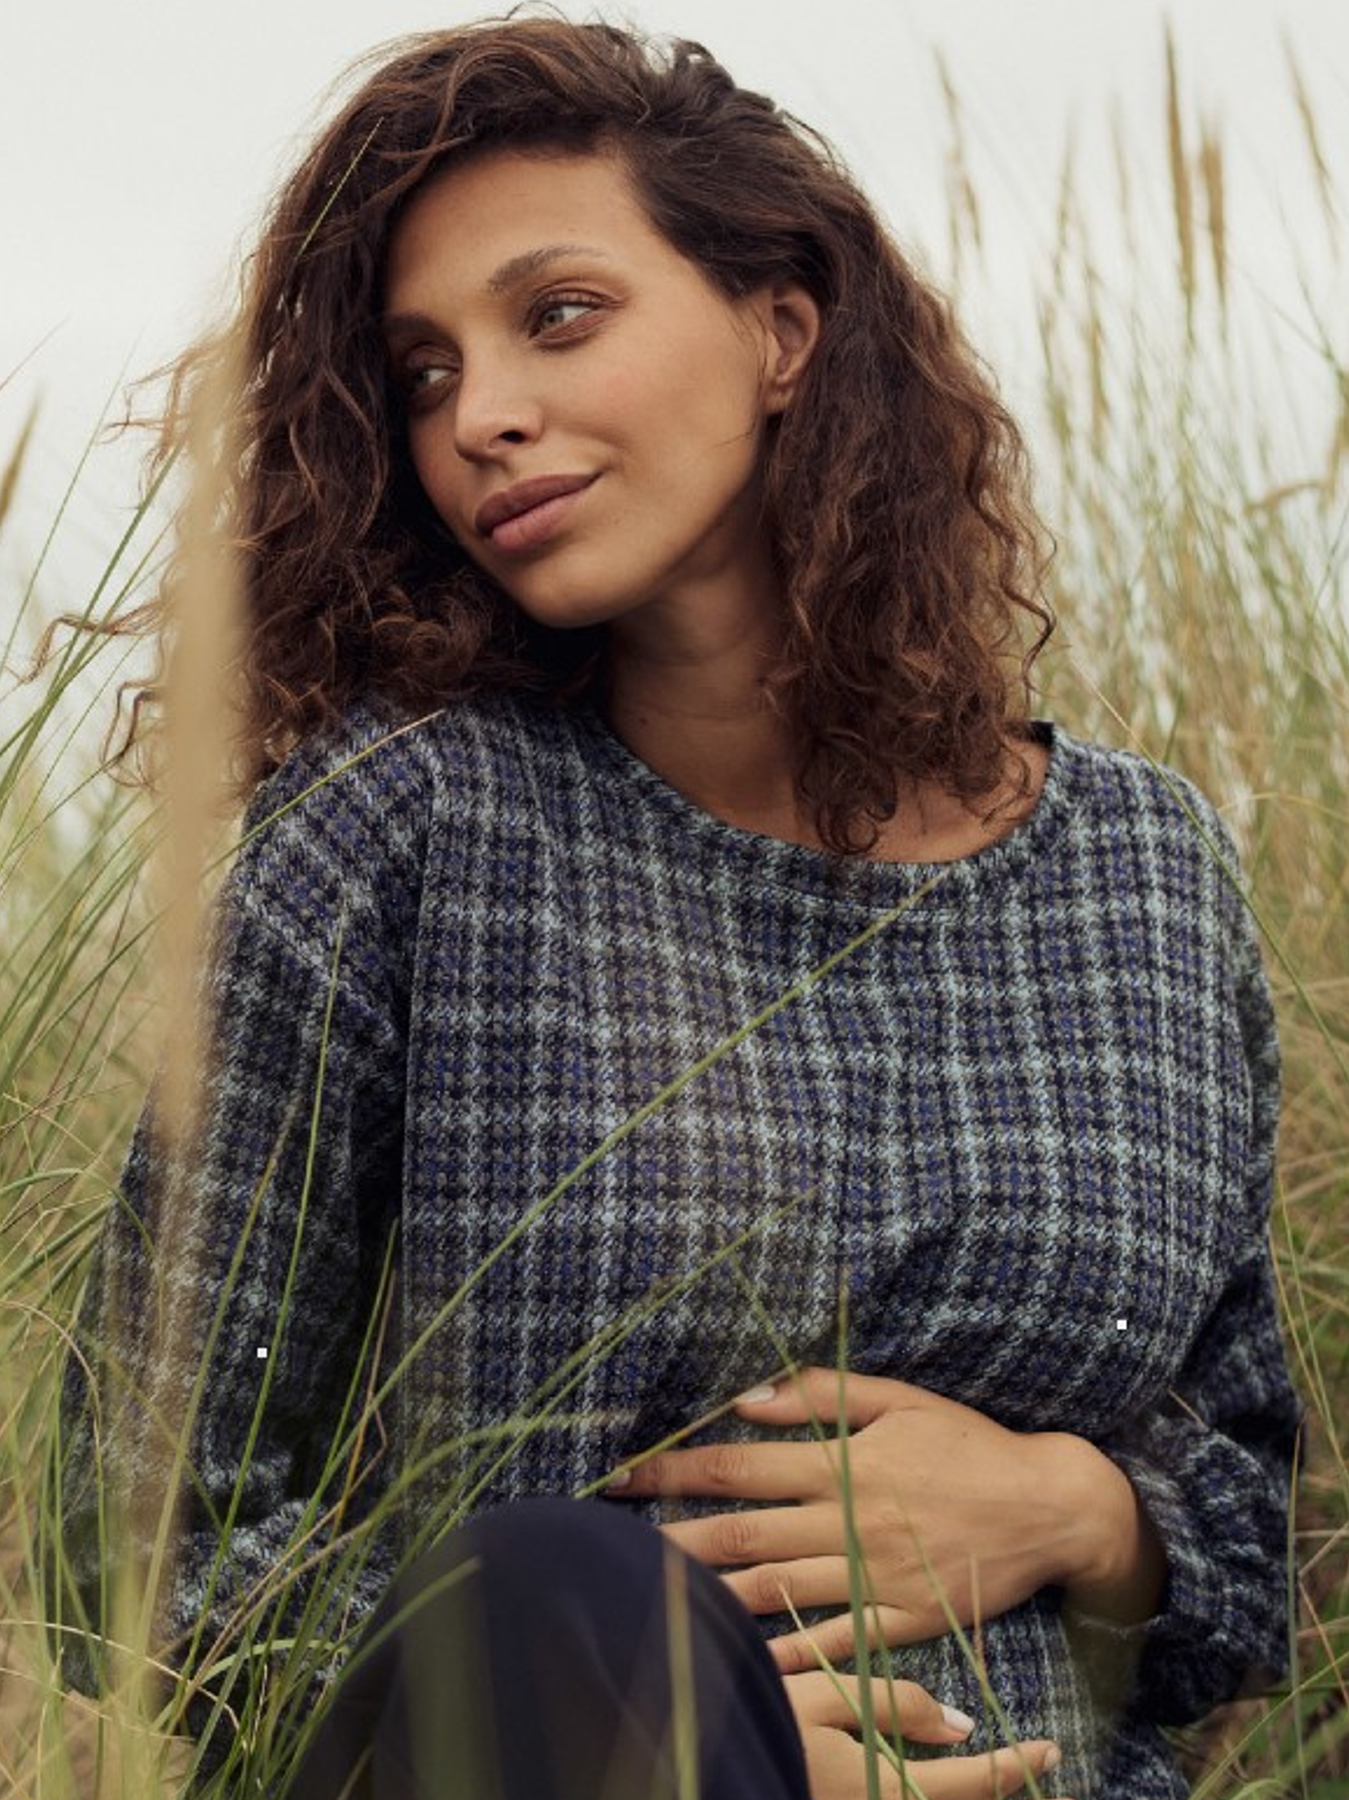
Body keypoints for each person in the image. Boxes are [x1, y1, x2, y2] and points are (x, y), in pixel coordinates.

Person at [48, 16, 1301, 1800]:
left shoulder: (1146, 871)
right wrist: (646, 1744)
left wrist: (1084, 1513)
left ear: (781, 331)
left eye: (557, 316)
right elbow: (133, 1530)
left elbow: (1245, 1528)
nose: (479, 414)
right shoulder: (399, 839)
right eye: (422, 372)